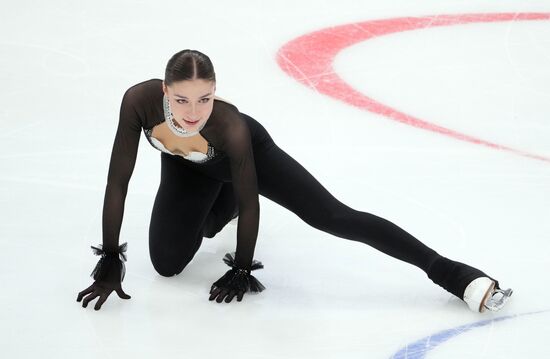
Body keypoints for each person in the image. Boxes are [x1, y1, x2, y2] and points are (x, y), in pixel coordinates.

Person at [77, 49, 513, 311]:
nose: (193, 112)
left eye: (205, 99)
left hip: (244, 163)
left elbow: (253, 205)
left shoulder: (230, 127)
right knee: (168, 264)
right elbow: (119, 182)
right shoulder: (138, 103)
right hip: (187, 167)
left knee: (332, 216)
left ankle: (454, 275)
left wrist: (242, 269)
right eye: (182, 100)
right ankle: (214, 209)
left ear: (216, 93)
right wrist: (112, 256)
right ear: (164, 94)